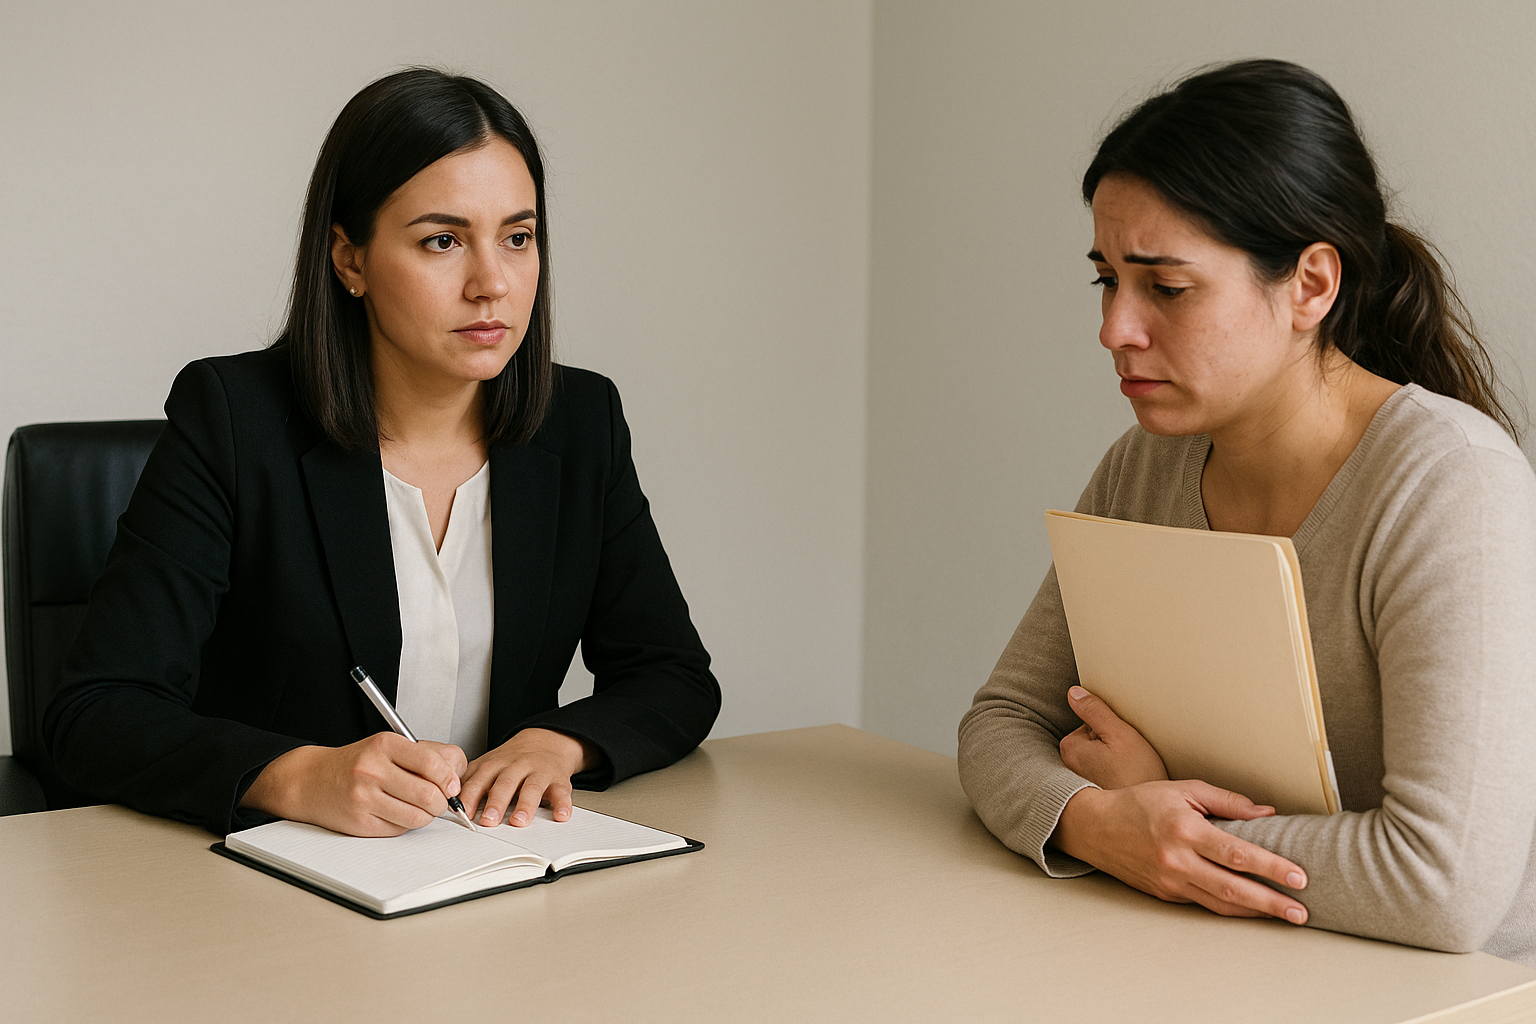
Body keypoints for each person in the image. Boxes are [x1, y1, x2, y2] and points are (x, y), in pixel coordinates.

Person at [958, 59, 1536, 966]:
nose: (1116, 329)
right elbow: (1000, 724)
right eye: (1106, 279)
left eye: (1168, 288)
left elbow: (1442, 887)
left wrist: (1165, 826)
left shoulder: (1452, 485)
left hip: (1441, 992)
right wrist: (1100, 820)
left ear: (1311, 285)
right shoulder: (1144, 467)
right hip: (1223, 961)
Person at [44, 68, 720, 839]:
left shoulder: (580, 421)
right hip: (275, 883)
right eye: (442, 240)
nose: (492, 282)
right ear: (350, 260)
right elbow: (94, 712)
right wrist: (297, 774)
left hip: (488, 865)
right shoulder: (233, 419)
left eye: (518, 237)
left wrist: (557, 742)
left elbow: (672, 675)